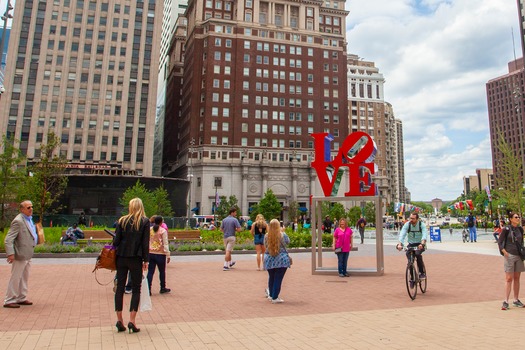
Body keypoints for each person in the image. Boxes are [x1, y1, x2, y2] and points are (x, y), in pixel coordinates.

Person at [113, 198, 150, 333]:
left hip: (121, 258)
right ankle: (132, 321)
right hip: (135, 258)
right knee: (136, 288)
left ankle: (119, 320)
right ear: (141, 206)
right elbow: (145, 243)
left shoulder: (122, 220)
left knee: (120, 288)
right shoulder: (144, 221)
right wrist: (146, 260)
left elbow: (116, 241)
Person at [3, 200, 38, 308]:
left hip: (27, 254)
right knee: (16, 277)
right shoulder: (18, 221)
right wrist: (10, 254)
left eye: (32, 207)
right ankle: (9, 299)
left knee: (24, 277)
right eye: (28, 207)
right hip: (20, 254)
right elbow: (8, 239)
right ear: (22, 209)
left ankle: (21, 297)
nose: (31, 209)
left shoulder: (29, 220)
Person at [498, 212, 525, 310]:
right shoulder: (506, 229)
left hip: (518, 256)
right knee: (509, 278)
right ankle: (506, 301)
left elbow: (521, 242)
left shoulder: (520, 229)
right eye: (516, 217)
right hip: (509, 255)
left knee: (517, 278)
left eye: (518, 217)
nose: (518, 218)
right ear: (510, 219)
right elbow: (500, 242)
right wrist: (505, 252)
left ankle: (516, 299)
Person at [264, 219, 292, 303]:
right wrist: (283, 231)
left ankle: (271, 295)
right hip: (281, 259)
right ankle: (275, 297)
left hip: (269, 258)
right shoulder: (282, 235)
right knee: (278, 278)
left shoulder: (266, 236)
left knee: (271, 277)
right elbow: (288, 242)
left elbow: (265, 245)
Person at [396, 213, 428, 280]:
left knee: (417, 254)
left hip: (420, 244)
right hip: (411, 244)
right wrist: (399, 244)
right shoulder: (407, 224)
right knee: (410, 260)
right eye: (410, 218)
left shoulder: (421, 225)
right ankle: (412, 278)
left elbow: (424, 235)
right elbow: (402, 234)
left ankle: (421, 273)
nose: (411, 220)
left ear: (417, 219)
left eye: (413, 218)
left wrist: (422, 244)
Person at [147, 216, 171, 295]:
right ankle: (162, 287)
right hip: (160, 254)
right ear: (161, 222)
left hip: (151, 253)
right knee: (162, 271)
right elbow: (165, 243)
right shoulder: (163, 231)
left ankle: (148, 289)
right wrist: (168, 254)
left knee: (150, 272)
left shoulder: (150, 229)